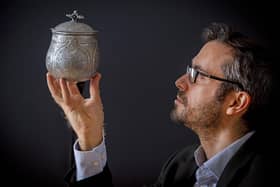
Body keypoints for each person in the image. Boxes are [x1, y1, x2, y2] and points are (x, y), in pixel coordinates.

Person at [46, 22, 275, 187]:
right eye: (189, 70)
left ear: (236, 102)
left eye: (200, 75)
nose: (180, 82)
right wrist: (89, 134)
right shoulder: (179, 166)